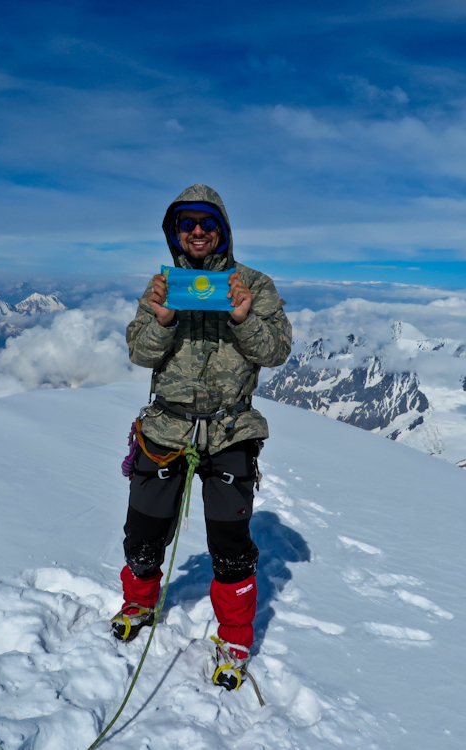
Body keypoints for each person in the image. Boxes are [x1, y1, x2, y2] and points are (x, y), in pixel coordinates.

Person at [112, 184, 292, 690]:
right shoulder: (162, 286)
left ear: (223, 230)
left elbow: (277, 350)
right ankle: (140, 600)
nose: (196, 232)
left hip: (231, 428)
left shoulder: (254, 285)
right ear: (174, 231)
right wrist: (163, 320)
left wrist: (244, 318)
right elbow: (141, 352)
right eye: (186, 223)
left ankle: (234, 638)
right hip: (165, 424)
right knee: (144, 530)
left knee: (230, 542)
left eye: (206, 223)